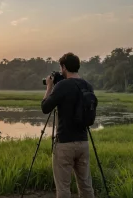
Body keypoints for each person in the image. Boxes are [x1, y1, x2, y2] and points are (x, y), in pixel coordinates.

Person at [41, 52, 95, 198]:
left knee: (63, 187)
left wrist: (49, 87)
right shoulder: (87, 85)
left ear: (64, 67)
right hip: (83, 142)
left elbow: (45, 107)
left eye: (61, 68)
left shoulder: (63, 86)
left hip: (65, 143)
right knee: (86, 185)